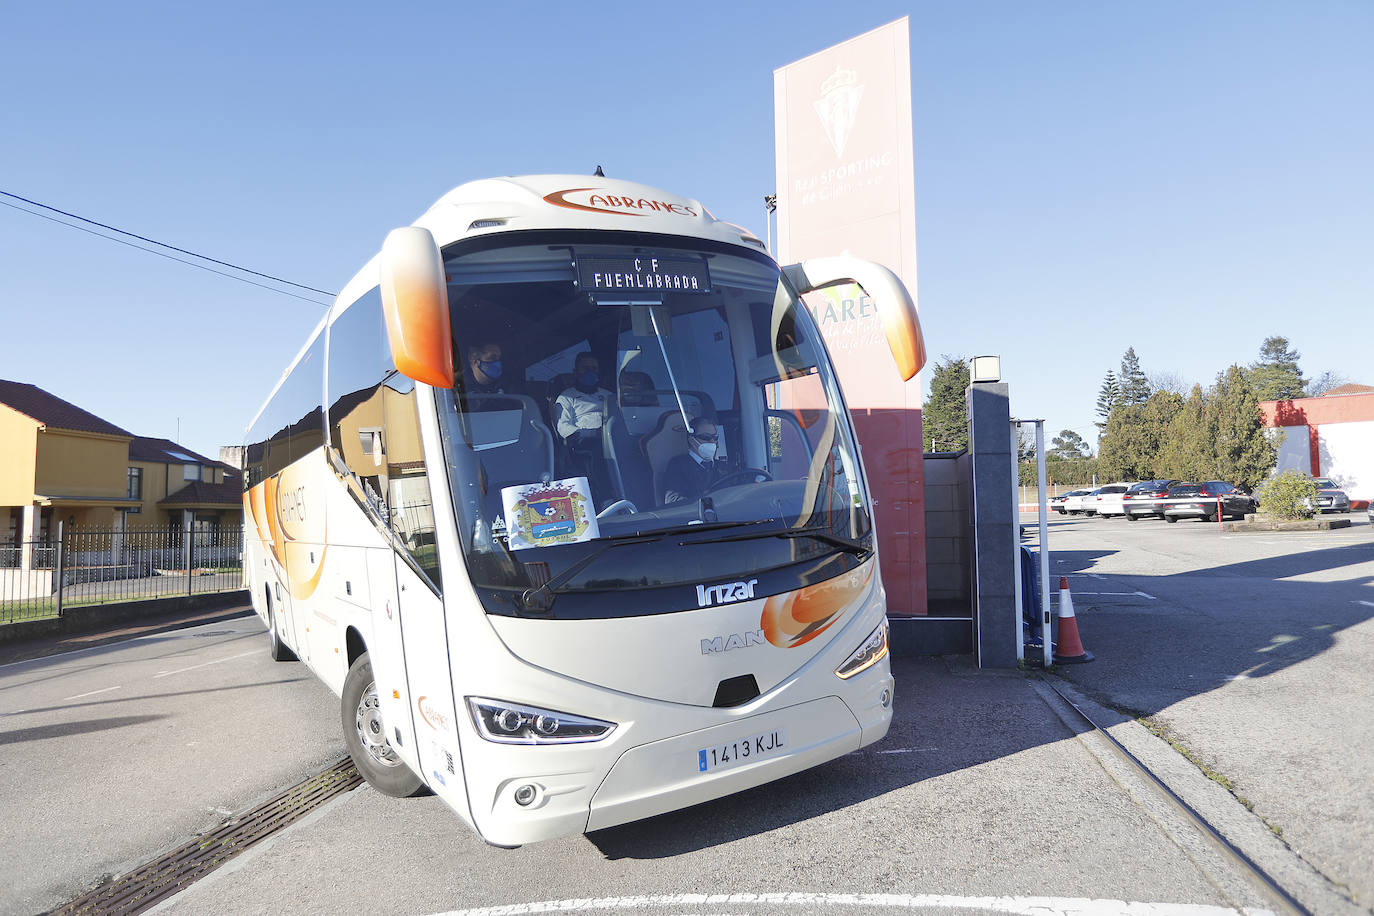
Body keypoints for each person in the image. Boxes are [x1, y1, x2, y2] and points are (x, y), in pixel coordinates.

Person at [662, 418, 726, 504]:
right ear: (692, 440)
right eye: (706, 437)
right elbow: (672, 500)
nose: (712, 441)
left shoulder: (723, 466)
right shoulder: (678, 465)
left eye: (715, 437)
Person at [554, 353, 614, 445]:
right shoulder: (567, 396)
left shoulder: (609, 395)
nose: (591, 372)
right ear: (575, 372)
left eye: (594, 368)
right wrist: (592, 433)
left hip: (613, 438)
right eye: (586, 368)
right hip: (585, 443)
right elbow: (562, 427)